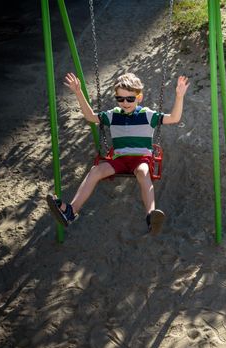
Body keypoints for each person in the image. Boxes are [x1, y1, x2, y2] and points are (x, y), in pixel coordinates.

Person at [46, 72, 190, 234]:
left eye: (130, 99)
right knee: (96, 170)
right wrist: (78, 92)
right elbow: (90, 117)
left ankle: (151, 216)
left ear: (139, 98)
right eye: (120, 99)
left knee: (143, 172)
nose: (125, 103)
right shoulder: (113, 114)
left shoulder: (148, 115)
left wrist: (179, 96)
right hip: (119, 159)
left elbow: (174, 118)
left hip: (140, 158)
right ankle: (71, 211)